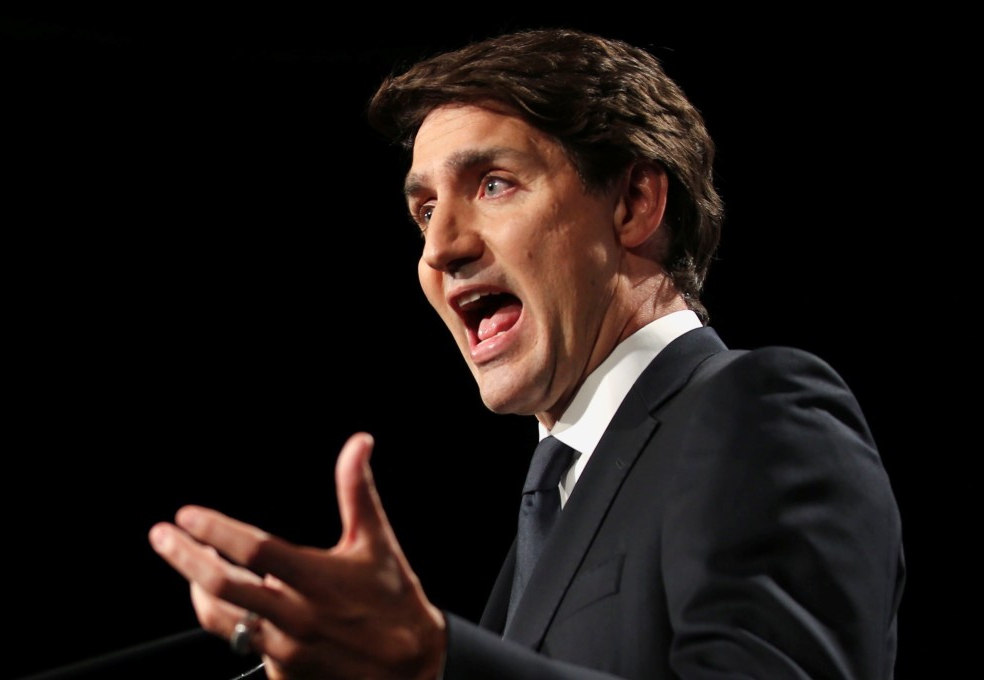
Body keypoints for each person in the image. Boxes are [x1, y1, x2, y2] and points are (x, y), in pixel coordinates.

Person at [149, 27, 905, 679]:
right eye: (424, 210)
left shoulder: (758, 409)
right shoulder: (551, 507)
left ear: (634, 204)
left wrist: (433, 660)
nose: (440, 248)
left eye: (495, 184)